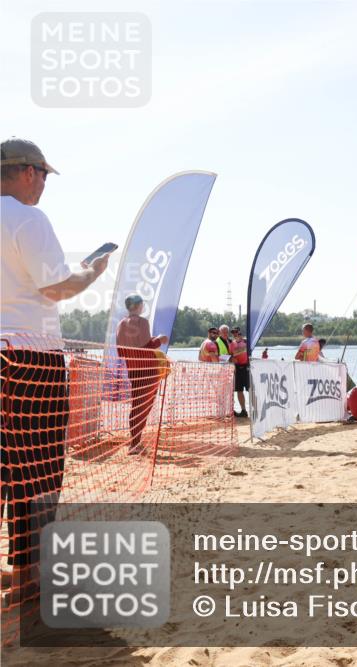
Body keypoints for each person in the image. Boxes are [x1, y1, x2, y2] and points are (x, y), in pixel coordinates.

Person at [1, 137, 111, 603]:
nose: (45, 184)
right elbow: (59, 287)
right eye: (44, 175)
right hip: (30, 357)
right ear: (28, 172)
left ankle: (18, 568)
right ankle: (31, 575)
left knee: (9, 467)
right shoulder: (28, 218)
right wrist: (93, 271)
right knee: (39, 469)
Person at [115, 295, 169, 454]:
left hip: (133, 370)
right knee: (144, 406)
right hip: (147, 370)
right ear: (139, 305)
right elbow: (147, 346)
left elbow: (123, 350)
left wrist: (152, 341)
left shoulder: (121, 324)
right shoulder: (142, 321)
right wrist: (160, 340)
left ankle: (134, 441)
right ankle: (135, 443)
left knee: (136, 404)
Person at [229, 327, 250, 418]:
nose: (235, 334)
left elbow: (246, 351)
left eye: (236, 333)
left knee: (250, 390)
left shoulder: (246, 342)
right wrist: (231, 358)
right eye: (233, 333)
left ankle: (255, 410)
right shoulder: (232, 344)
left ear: (240, 333)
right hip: (237, 369)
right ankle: (243, 410)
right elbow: (231, 355)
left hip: (246, 368)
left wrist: (236, 354)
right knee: (239, 390)